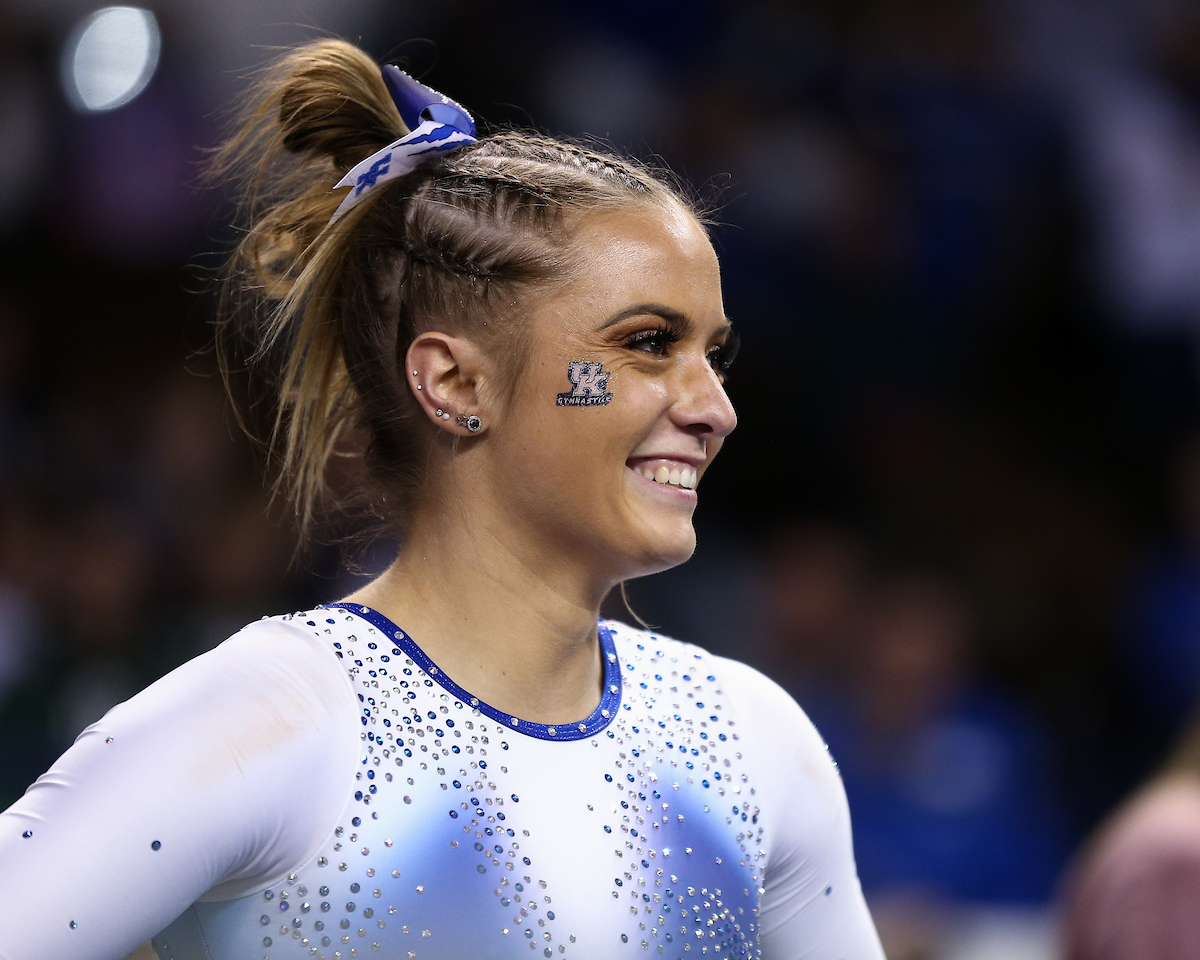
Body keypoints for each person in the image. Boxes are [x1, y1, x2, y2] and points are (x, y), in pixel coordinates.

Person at [0, 39, 884, 960]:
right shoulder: (276, 721)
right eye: (649, 343)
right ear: (457, 383)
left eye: (715, 354)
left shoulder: (751, 745)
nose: (715, 408)